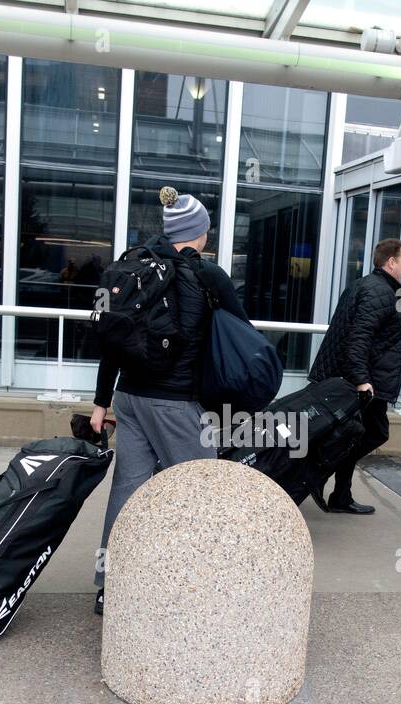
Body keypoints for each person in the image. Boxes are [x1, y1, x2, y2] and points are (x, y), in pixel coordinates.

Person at [89, 187, 249, 615]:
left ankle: (110, 585)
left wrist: (101, 403)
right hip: (175, 404)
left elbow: (113, 339)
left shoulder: (135, 264)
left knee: (127, 490)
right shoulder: (206, 274)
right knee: (202, 492)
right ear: (199, 232)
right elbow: (243, 334)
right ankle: (199, 586)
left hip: (129, 399)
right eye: (206, 230)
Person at [306, 237, 401, 515]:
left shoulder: (373, 287)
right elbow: (359, 339)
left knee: (355, 435)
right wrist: (362, 380)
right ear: (391, 262)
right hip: (363, 382)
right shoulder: (379, 291)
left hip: (359, 378)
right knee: (373, 432)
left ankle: (340, 492)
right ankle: (320, 474)